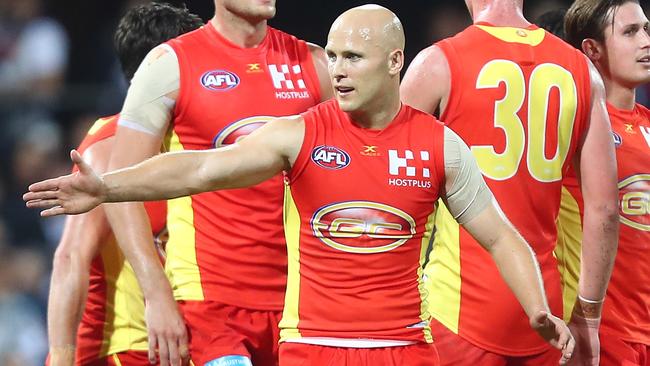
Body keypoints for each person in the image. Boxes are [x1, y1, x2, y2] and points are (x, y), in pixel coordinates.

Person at [24, 5, 576, 366]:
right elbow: (199, 168)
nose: (337, 69)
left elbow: (502, 236)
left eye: (352, 58)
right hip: (298, 338)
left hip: (402, 345)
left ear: (393, 63)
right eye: (333, 56)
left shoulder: (437, 144)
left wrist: (536, 307)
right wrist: (108, 188)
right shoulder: (297, 133)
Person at [100, 0, 331, 365]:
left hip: (301, 304)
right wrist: (157, 295)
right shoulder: (169, 64)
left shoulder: (314, 64)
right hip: (210, 305)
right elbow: (116, 188)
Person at [400, 0, 619, 365]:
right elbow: (605, 209)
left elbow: (384, 186)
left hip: (457, 312)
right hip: (547, 316)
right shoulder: (581, 70)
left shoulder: (439, 62)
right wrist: (589, 318)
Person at [46, 4, 202, 366]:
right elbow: (71, 257)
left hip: (187, 345)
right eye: (193, 62)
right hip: (123, 349)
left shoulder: (199, 143)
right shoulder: (109, 145)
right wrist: (61, 356)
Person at [561, 1, 650, 365]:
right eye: (630, 32)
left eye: (646, 29)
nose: (646, 41)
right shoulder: (572, 127)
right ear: (591, 49)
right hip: (603, 332)